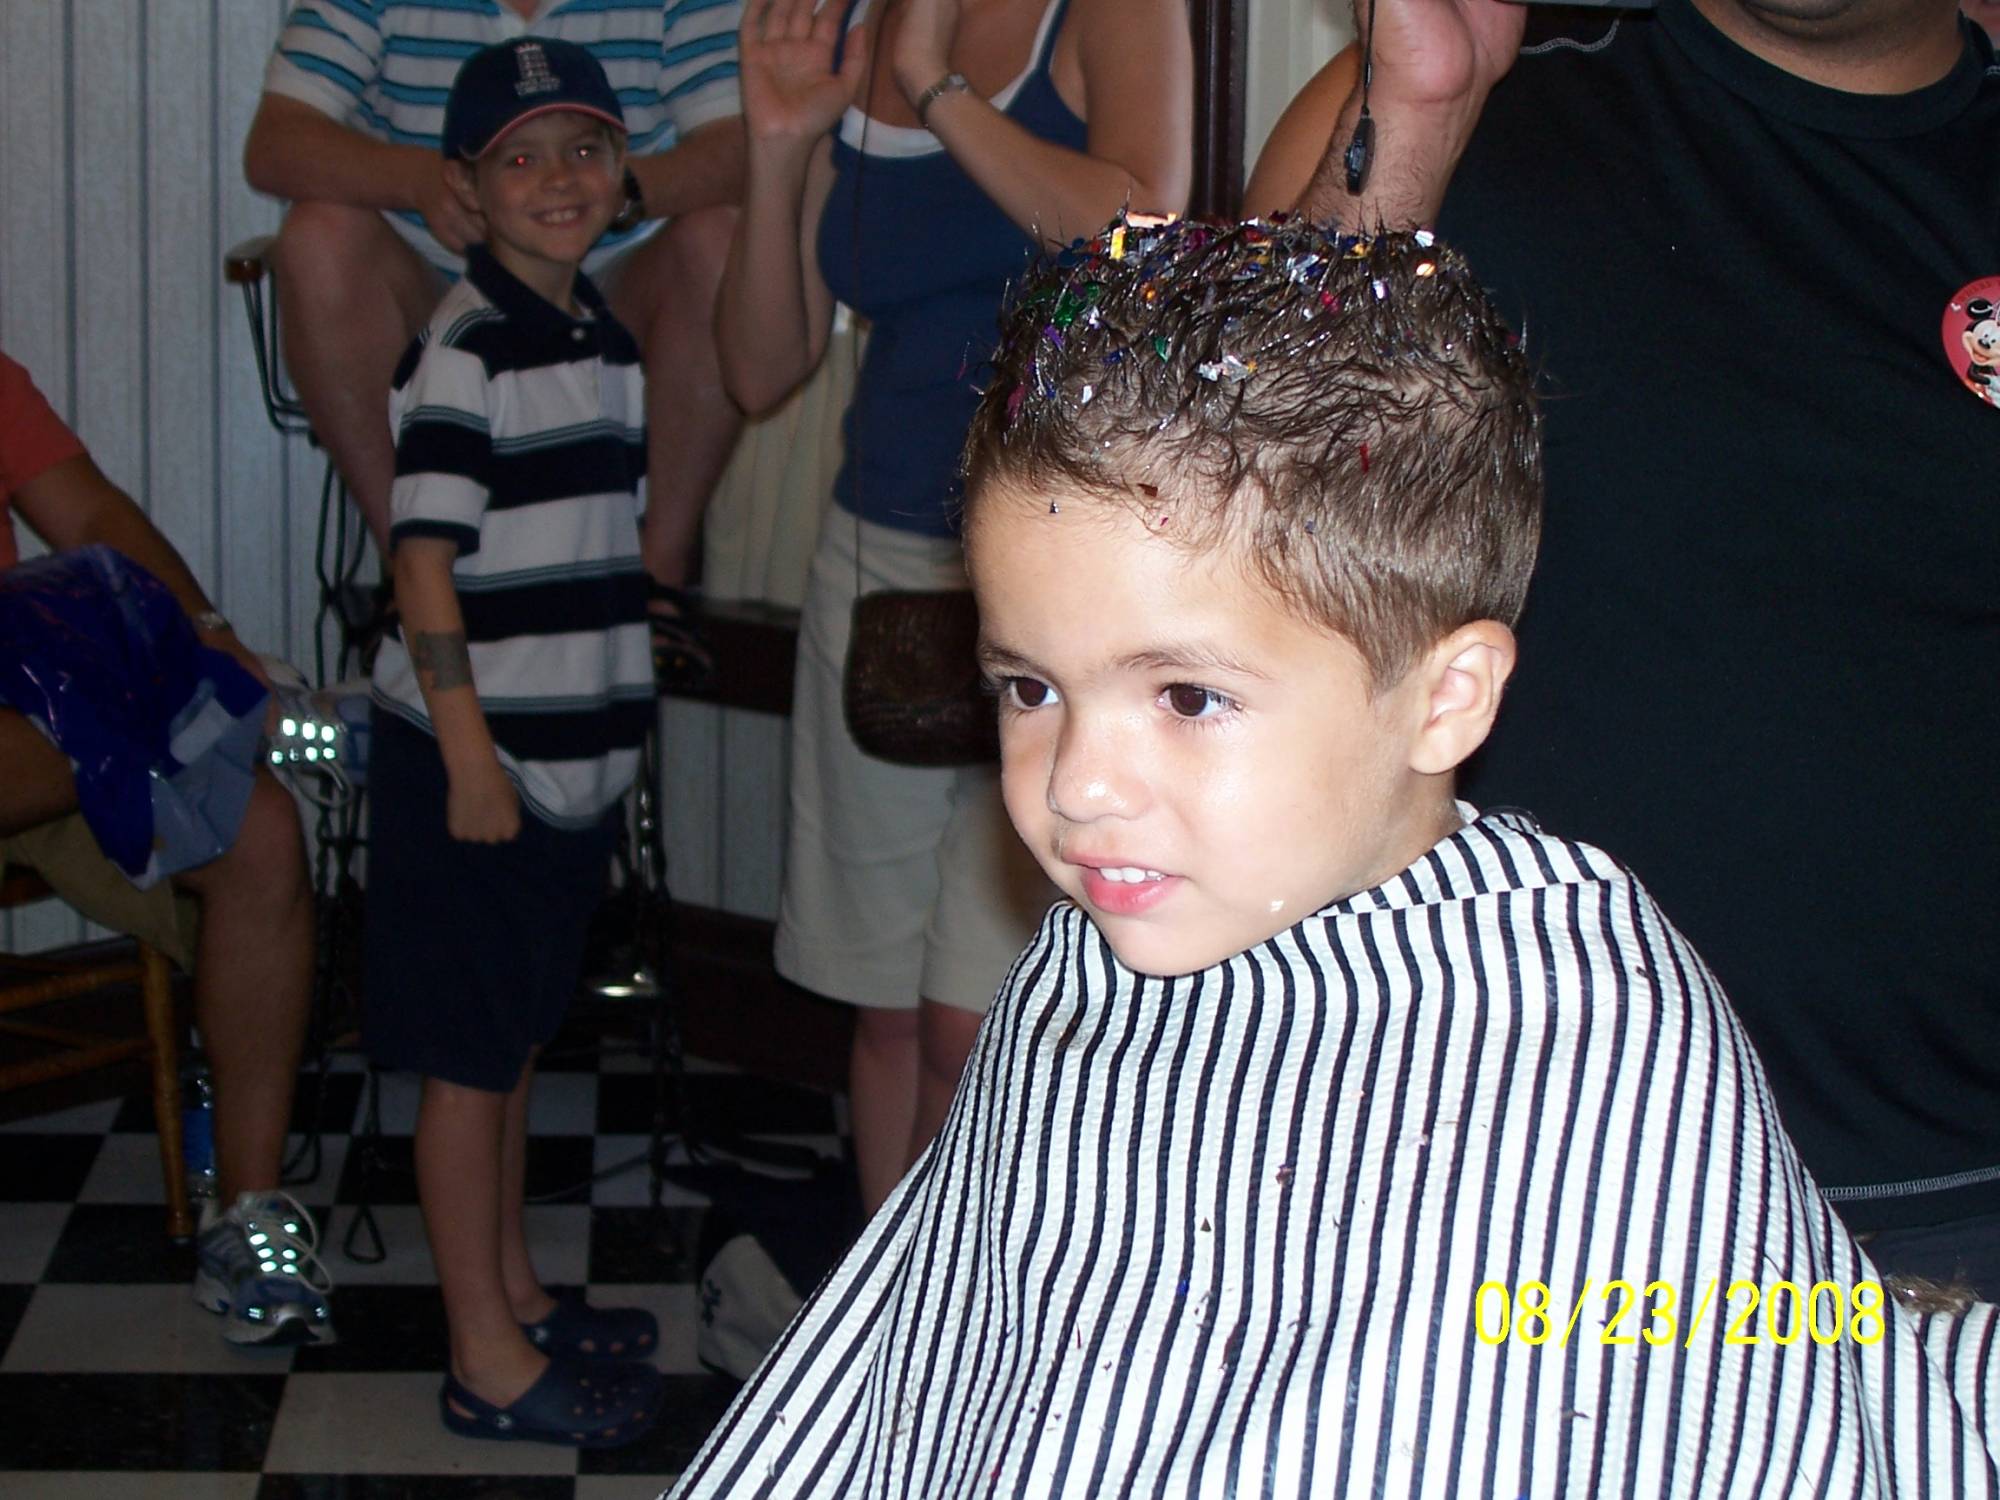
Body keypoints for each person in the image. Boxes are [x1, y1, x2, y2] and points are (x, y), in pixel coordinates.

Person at [667, 216, 2000, 1498]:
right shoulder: (1089, 966)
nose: (1076, 784)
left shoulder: (1582, 1043)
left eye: (1185, 698)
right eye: (1028, 688)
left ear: (1445, 699)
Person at [1254, 0, 2000, 1295]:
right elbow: (1221, 559)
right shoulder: (1476, 101)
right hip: (1547, 1180)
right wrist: (1416, 121)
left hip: (1971, 1210)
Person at [720, 0, 1191, 1212]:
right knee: (880, 1013)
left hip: (1055, 582)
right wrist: (775, 149)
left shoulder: (1110, 15)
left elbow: (1137, 232)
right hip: (874, 557)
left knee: (971, 1031)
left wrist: (934, 88)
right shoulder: (843, 24)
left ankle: (966, 1351)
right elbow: (760, 368)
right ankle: (883, 1361)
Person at [360, 39, 662, 1447]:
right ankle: (482, 1355)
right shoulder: (463, 348)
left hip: (566, 764)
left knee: (521, 1033)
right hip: (474, 761)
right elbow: (424, 568)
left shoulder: (605, 341)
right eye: (520, 157)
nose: (558, 179)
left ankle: (516, 1291)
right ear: (464, 191)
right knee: (471, 1065)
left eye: (584, 148)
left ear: (621, 173)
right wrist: (473, 756)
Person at [242, 0, 746, 687]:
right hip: (433, 298)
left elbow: (740, 143)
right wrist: (421, 180)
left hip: (611, 293)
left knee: (719, 239)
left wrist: (599, 196)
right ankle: (414, 571)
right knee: (317, 238)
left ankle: (654, 577)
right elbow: (274, 143)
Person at [0, 349, 330, 1348]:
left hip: (38, 736)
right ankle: (217, 719)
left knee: (261, 830)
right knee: (153, 720)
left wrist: (205, 629)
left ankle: (249, 1212)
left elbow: (93, 518)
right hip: (61, 735)